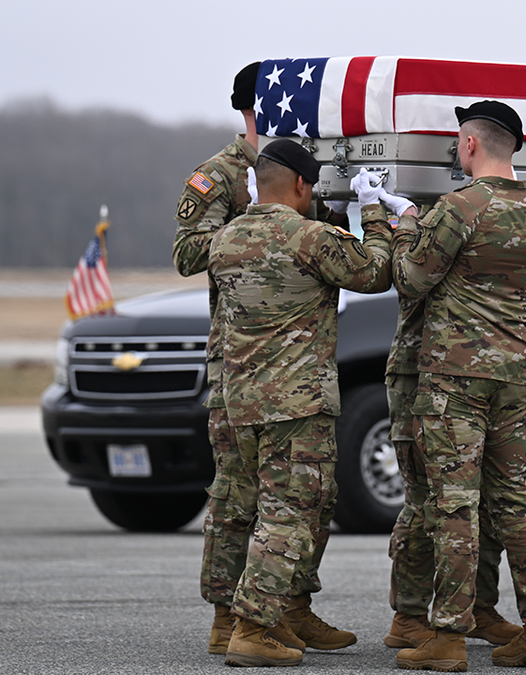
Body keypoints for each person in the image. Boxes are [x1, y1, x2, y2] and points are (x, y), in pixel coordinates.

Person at [387, 100, 526, 671]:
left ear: (469, 144)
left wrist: (402, 227)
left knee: (453, 506)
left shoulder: (458, 208)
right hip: (514, 375)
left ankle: (447, 636)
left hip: (455, 380)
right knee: (517, 502)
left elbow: (413, 280)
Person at [209, 139, 392, 667]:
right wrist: (373, 210)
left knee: (276, 508)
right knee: (288, 514)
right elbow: (375, 272)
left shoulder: (225, 241)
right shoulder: (309, 238)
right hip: (296, 405)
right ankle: (253, 627)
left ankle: (281, 614)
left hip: (241, 402)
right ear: (302, 186)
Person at [378, 239, 522, 652]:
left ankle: (480, 607)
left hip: (474, 369)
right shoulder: (426, 220)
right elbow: (406, 278)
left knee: (483, 502)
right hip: (417, 370)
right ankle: (409, 614)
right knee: (429, 501)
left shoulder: (475, 214)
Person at [171, 61, 261, 656]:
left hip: (298, 358)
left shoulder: (306, 172)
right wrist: (259, 221)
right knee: (235, 491)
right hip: (237, 358)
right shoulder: (222, 176)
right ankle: (226, 616)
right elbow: (185, 253)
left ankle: (287, 606)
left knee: (299, 493)